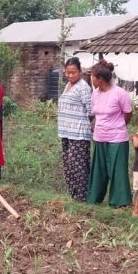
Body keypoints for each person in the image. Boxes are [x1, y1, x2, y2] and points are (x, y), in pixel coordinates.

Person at [86, 60, 133, 207]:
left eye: (92, 76)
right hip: (99, 136)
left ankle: (119, 201)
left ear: (100, 79)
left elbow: (128, 113)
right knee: (98, 169)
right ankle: (95, 199)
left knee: (117, 170)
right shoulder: (95, 94)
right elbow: (95, 114)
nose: (91, 79)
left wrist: (118, 126)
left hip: (117, 138)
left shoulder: (120, 93)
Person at [57, 57, 94, 201]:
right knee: (68, 165)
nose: (70, 75)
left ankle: (82, 196)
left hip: (79, 133)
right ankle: (73, 195)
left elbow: (90, 110)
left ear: (80, 72)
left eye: (73, 72)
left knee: (78, 166)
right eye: (67, 72)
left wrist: (87, 127)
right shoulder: (68, 85)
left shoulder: (83, 87)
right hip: (66, 132)